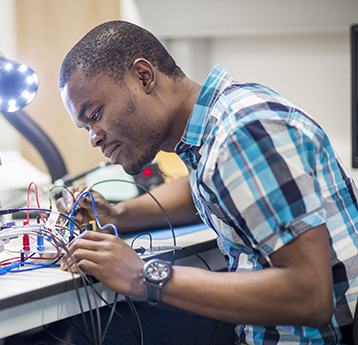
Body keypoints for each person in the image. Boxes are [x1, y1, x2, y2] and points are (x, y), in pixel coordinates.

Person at [55, 20, 358, 344]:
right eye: (85, 127)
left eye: (96, 114)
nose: (94, 138)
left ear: (143, 77)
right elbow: (207, 190)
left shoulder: (242, 132)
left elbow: (310, 297)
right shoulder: (219, 127)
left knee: (90, 332)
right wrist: (117, 215)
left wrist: (144, 275)